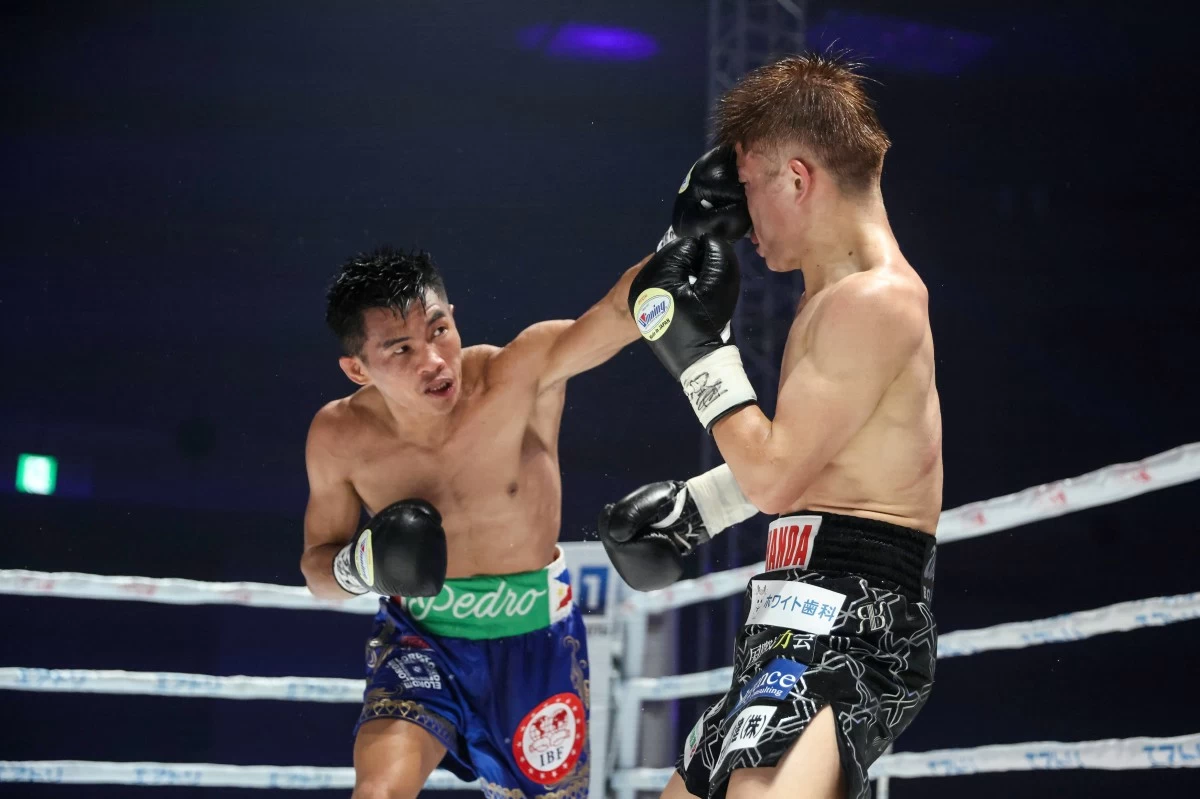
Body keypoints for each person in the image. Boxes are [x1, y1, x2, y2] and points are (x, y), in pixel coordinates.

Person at [599, 53, 942, 799]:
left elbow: (778, 479)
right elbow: (813, 466)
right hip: (791, 607)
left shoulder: (873, 300)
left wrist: (700, 353)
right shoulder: (829, 299)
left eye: (749, 184)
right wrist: (699, 509)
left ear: (797, 178)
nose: (740, 215)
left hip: (854, 617)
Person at [301, 245, 649, 799]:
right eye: (401, 349)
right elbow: (318, 572)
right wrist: (360, 567)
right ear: (357, 369)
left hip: (536, 643)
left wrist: (689, 239)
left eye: (439, 330)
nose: (433, 360)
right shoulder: (339, 436)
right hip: (422, 640)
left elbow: (619, 314)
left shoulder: (518, 374)